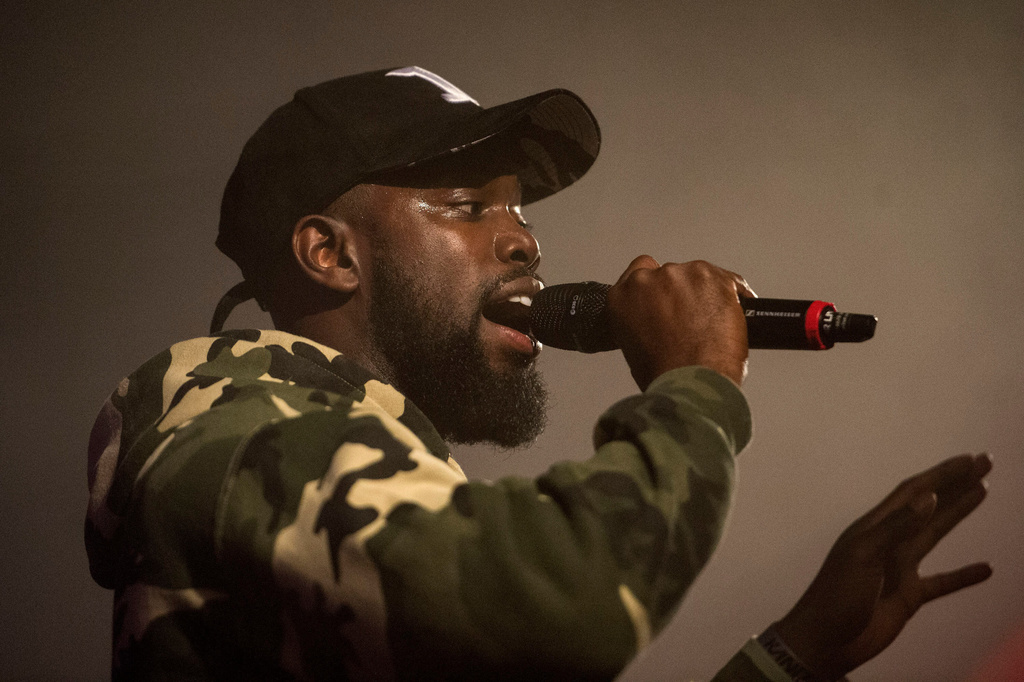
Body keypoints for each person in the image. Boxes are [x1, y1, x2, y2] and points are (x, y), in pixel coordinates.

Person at [85, 66, 992, 681]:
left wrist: (791, 659)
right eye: (469, 205)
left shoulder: (369, 469)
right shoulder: (239, 416)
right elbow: (560, 605)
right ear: (330, 252)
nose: (525, 239)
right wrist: (697, 389)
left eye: (516, 209)